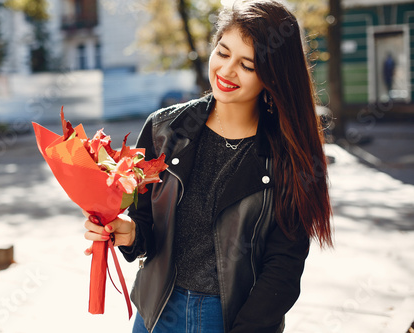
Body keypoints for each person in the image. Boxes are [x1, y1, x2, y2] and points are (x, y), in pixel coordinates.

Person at [83, 0, 333, 332]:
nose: (227, 71)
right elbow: (145, 225)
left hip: (230, 320)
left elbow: (283, 268)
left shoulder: (289, 155)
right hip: (155, 312)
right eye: (223, 52)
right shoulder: (163, 130)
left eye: (247, 65)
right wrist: (126, 233)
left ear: (272, 76)